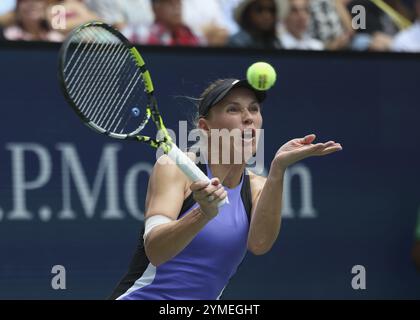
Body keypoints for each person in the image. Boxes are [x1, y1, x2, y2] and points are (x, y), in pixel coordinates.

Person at [109, 78, 342, 300]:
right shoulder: (173, 168)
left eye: (254, 109)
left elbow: (259, 244)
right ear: (205, 127)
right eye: (233, 109)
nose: (248, 118)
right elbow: (156, 251)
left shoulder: (259, 187)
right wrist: (203, 213)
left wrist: (278, 168)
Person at [123, 0, 201, 46]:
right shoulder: (138, 34)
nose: (177, 8)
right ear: (155, 8)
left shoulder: (192, 34)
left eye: (178, 3)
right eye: (171, 3)